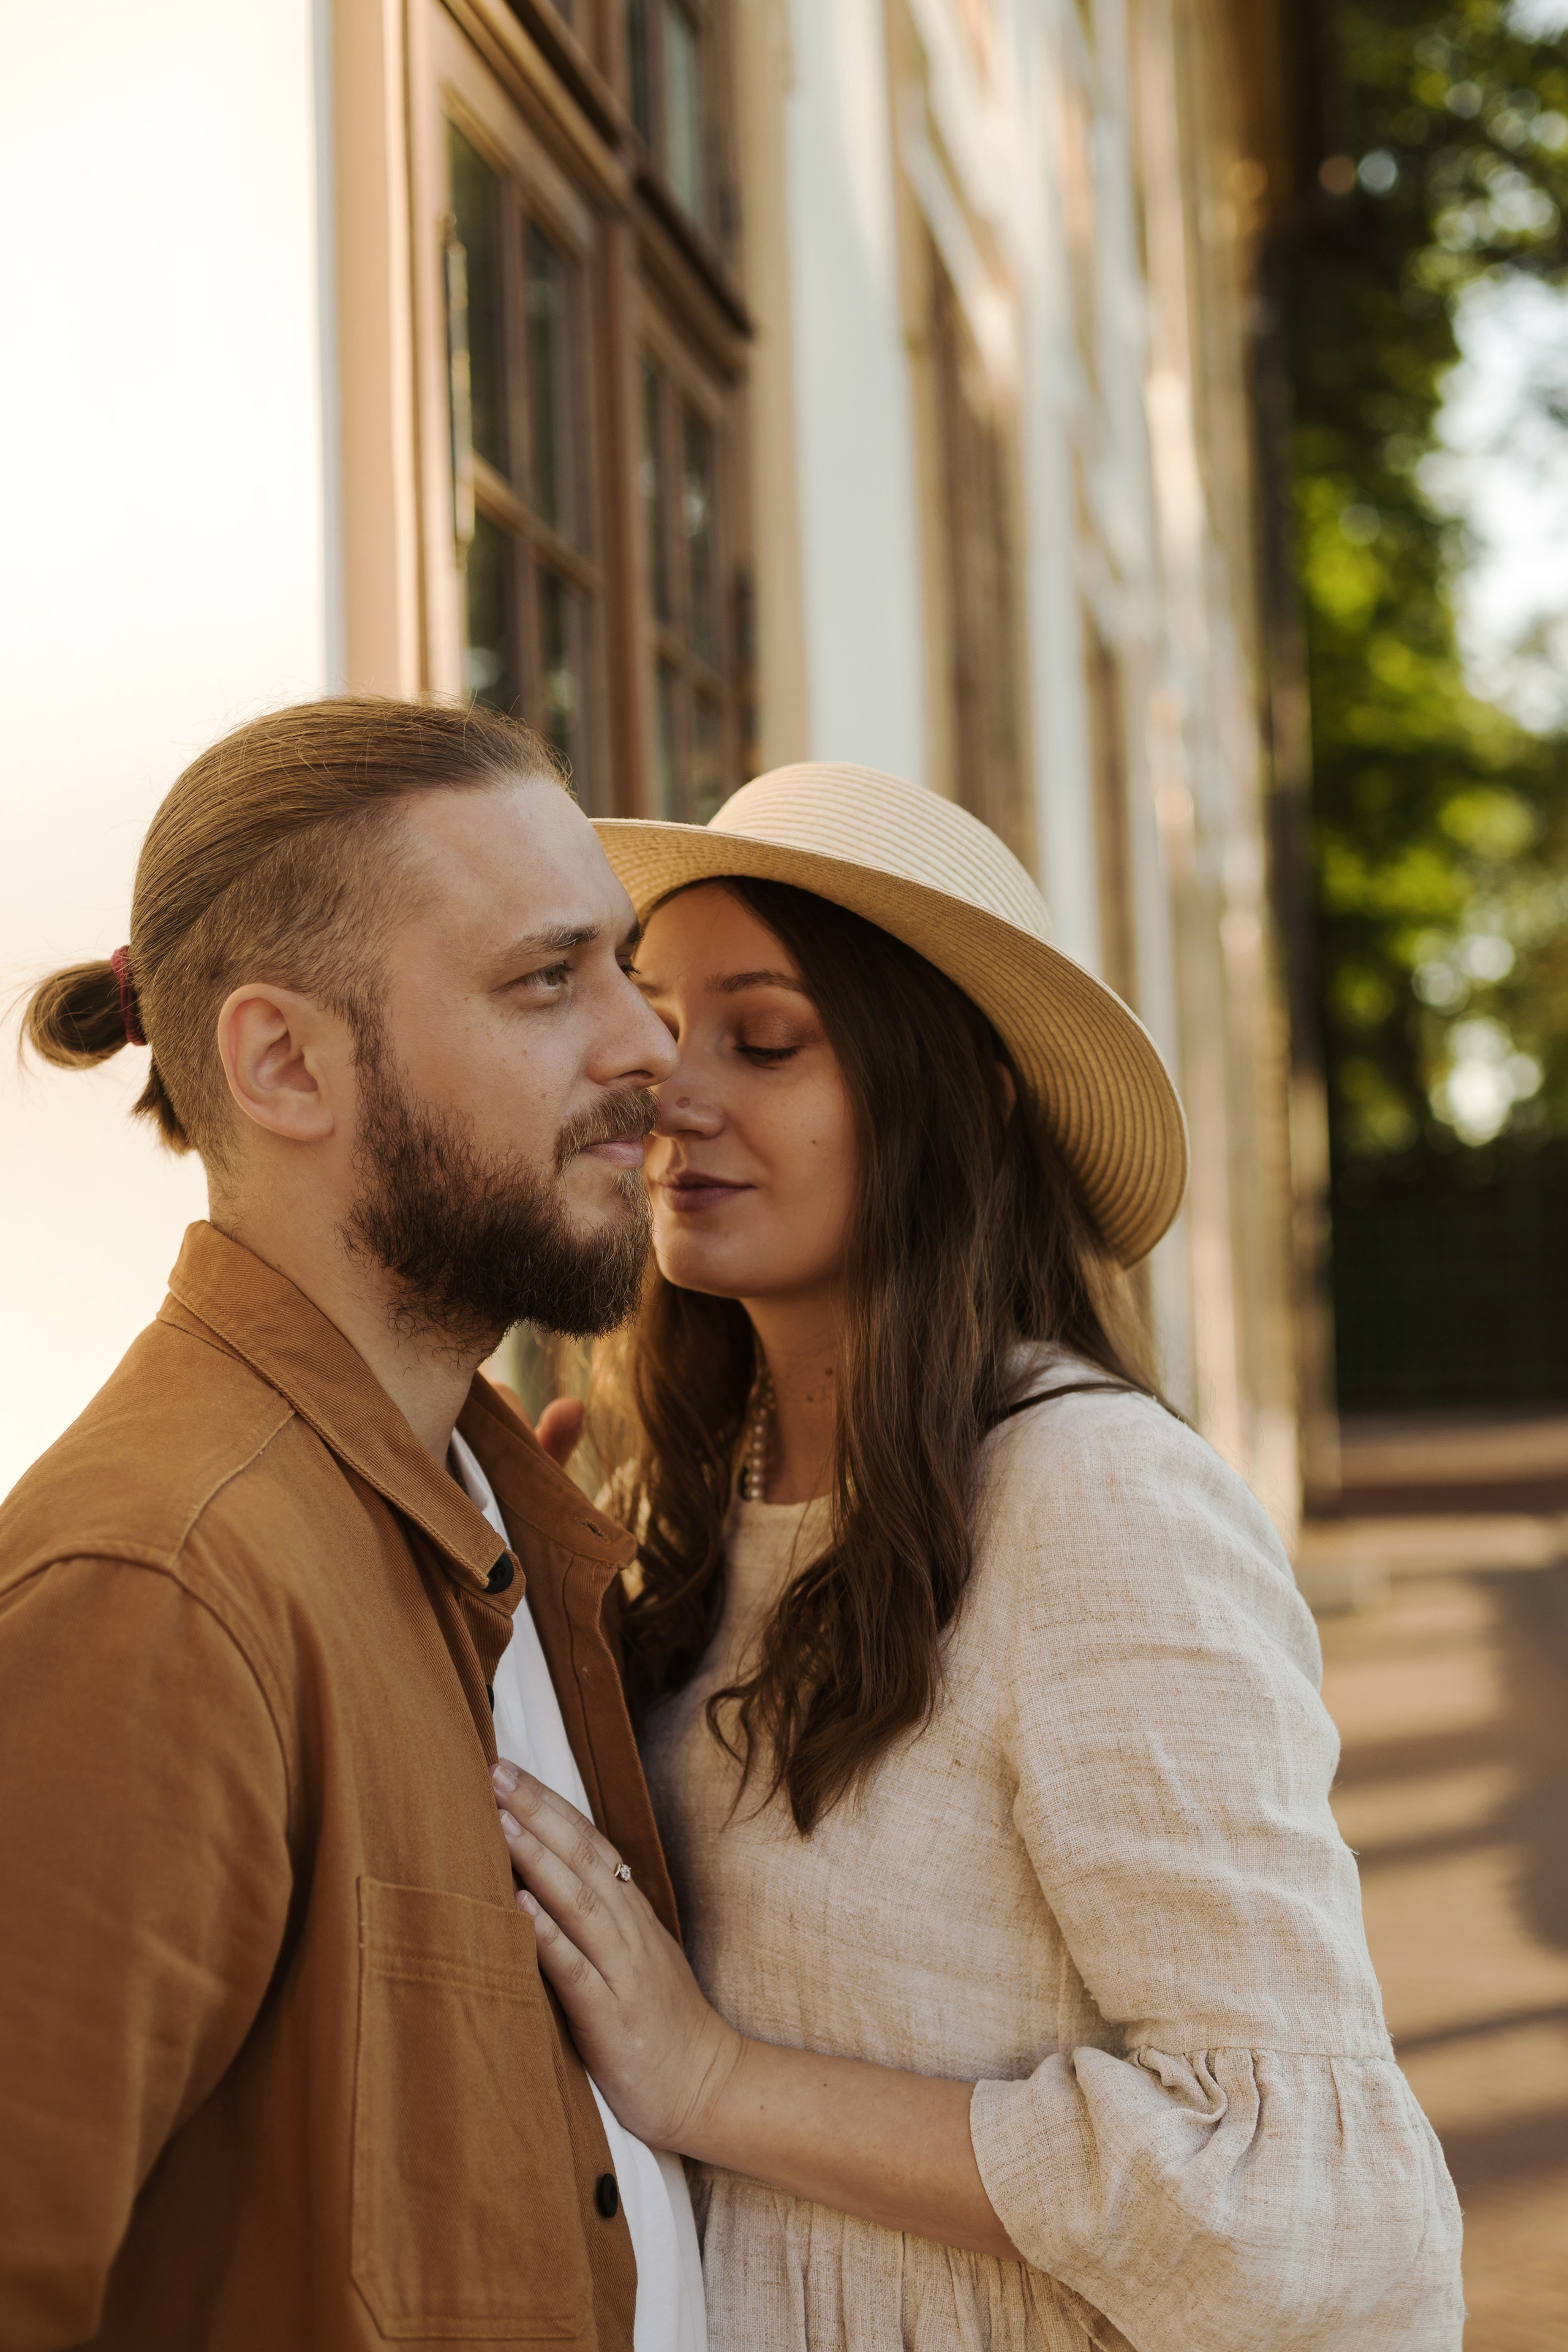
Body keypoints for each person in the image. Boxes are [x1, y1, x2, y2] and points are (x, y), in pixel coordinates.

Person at [486, 765, 1465, 2351]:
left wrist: (721, 2084)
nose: (676, 1088)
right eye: (660, 1023)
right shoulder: (698, 1500)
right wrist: (525, 1659)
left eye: (768, 1037)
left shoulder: (1094, 1505)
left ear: (967, 1096)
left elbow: (1322, 2218)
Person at [0, 699, 706, 2352]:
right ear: (283, 1062)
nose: (647, 1049)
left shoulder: (494, 1511)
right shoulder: (163, 1593)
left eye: (624, 964)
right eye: (550, 980)